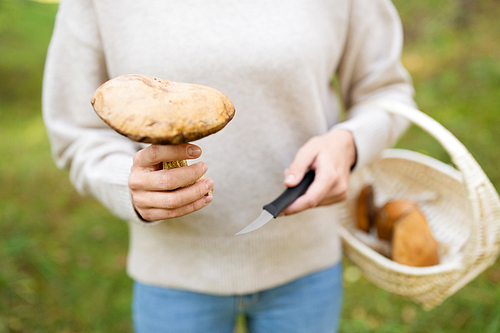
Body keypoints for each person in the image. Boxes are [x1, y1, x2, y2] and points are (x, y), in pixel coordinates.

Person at [42, 0, 415, 332]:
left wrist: (348, 143)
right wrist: (125, 184)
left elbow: (386, 90)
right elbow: (75, 129)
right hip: (174, 279)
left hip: (305, 268)